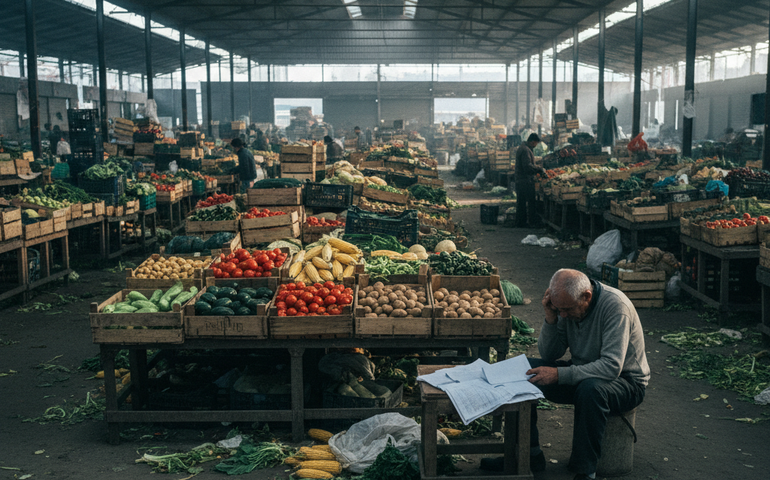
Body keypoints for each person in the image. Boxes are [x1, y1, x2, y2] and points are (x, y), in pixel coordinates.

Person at [527, 269, 649, 480]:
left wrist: (559, 375)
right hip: (584, 370)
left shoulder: (616, 307)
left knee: (590, 390)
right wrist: (550, 318)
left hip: (626, 382)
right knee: (525, 371)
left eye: (567, 310)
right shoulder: (565, 306)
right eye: (559, 309)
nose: (563, 315)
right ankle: (529, 454)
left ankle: (585, 471)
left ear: (586, 296)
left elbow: (611, 367)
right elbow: (550, 354)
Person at [514, 133, 546, 228]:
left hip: (520, 179)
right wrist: (539, 169)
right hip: (525, 180)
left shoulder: (523, 148)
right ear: (532, 141)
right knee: (531, 201)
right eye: (536, 143)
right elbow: (527, 166)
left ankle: (521, 222)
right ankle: (531, 222)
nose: (536, 145)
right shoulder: (525, 150)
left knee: (521, 202)